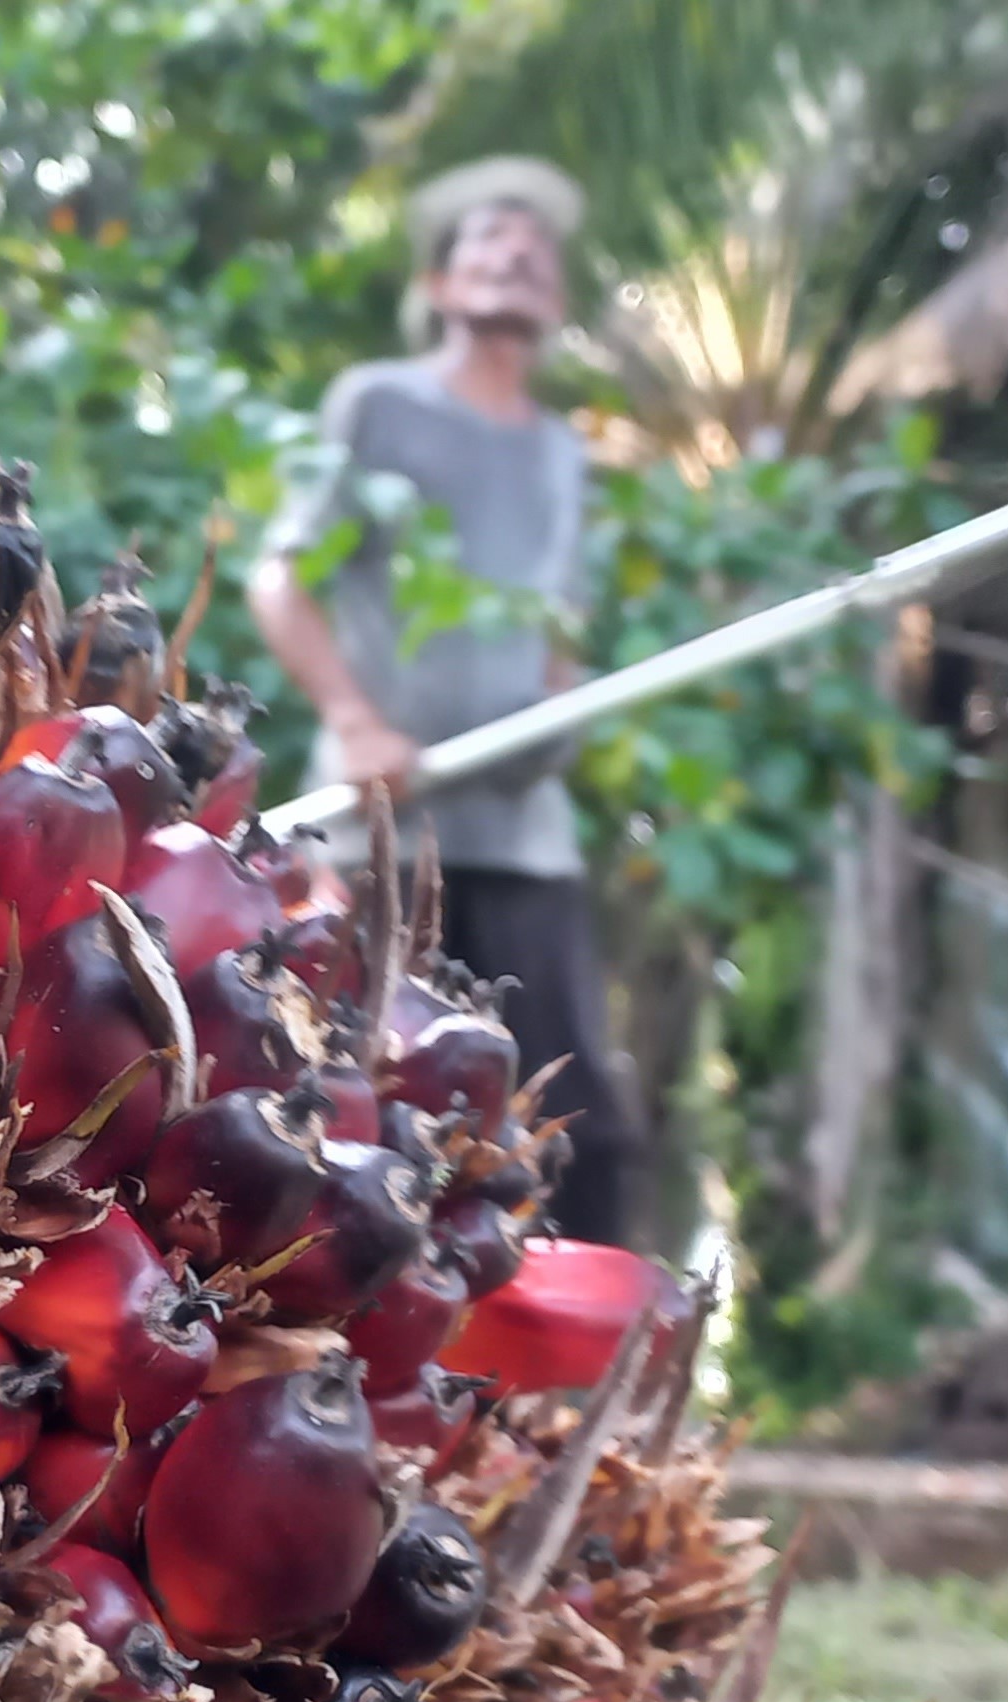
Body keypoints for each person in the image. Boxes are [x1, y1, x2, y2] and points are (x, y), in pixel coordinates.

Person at [248, 155, 639, 1245]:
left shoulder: (562, 450)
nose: (514, 254)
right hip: (380, 817)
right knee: (358, 1098)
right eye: (487, 241)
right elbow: (282, 577)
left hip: (519, 829)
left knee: (570, 1121)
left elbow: (560, 617)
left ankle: (573, 1389)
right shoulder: (379, 403)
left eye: (535, 250)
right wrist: (357, 718)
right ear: (440, 282)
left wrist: (560, 708)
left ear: (554, 301)